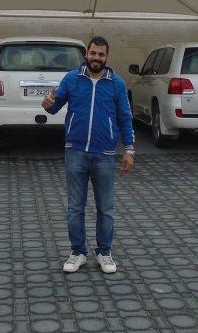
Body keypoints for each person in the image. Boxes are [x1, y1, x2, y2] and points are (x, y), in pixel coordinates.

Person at [42, 36, 135, 274]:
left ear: (107, 57)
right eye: (93, 53)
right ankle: (78, 253)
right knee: (75, 207)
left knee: (105, 208)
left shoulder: (116, 83)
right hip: (75, 152)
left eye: (101, 54)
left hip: (104, 154)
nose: (96, 58)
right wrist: (47, 103)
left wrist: (129, 149)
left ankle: (104, 253)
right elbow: (54, 106)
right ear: (87, 54)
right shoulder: (72, 79)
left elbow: (125, 117)